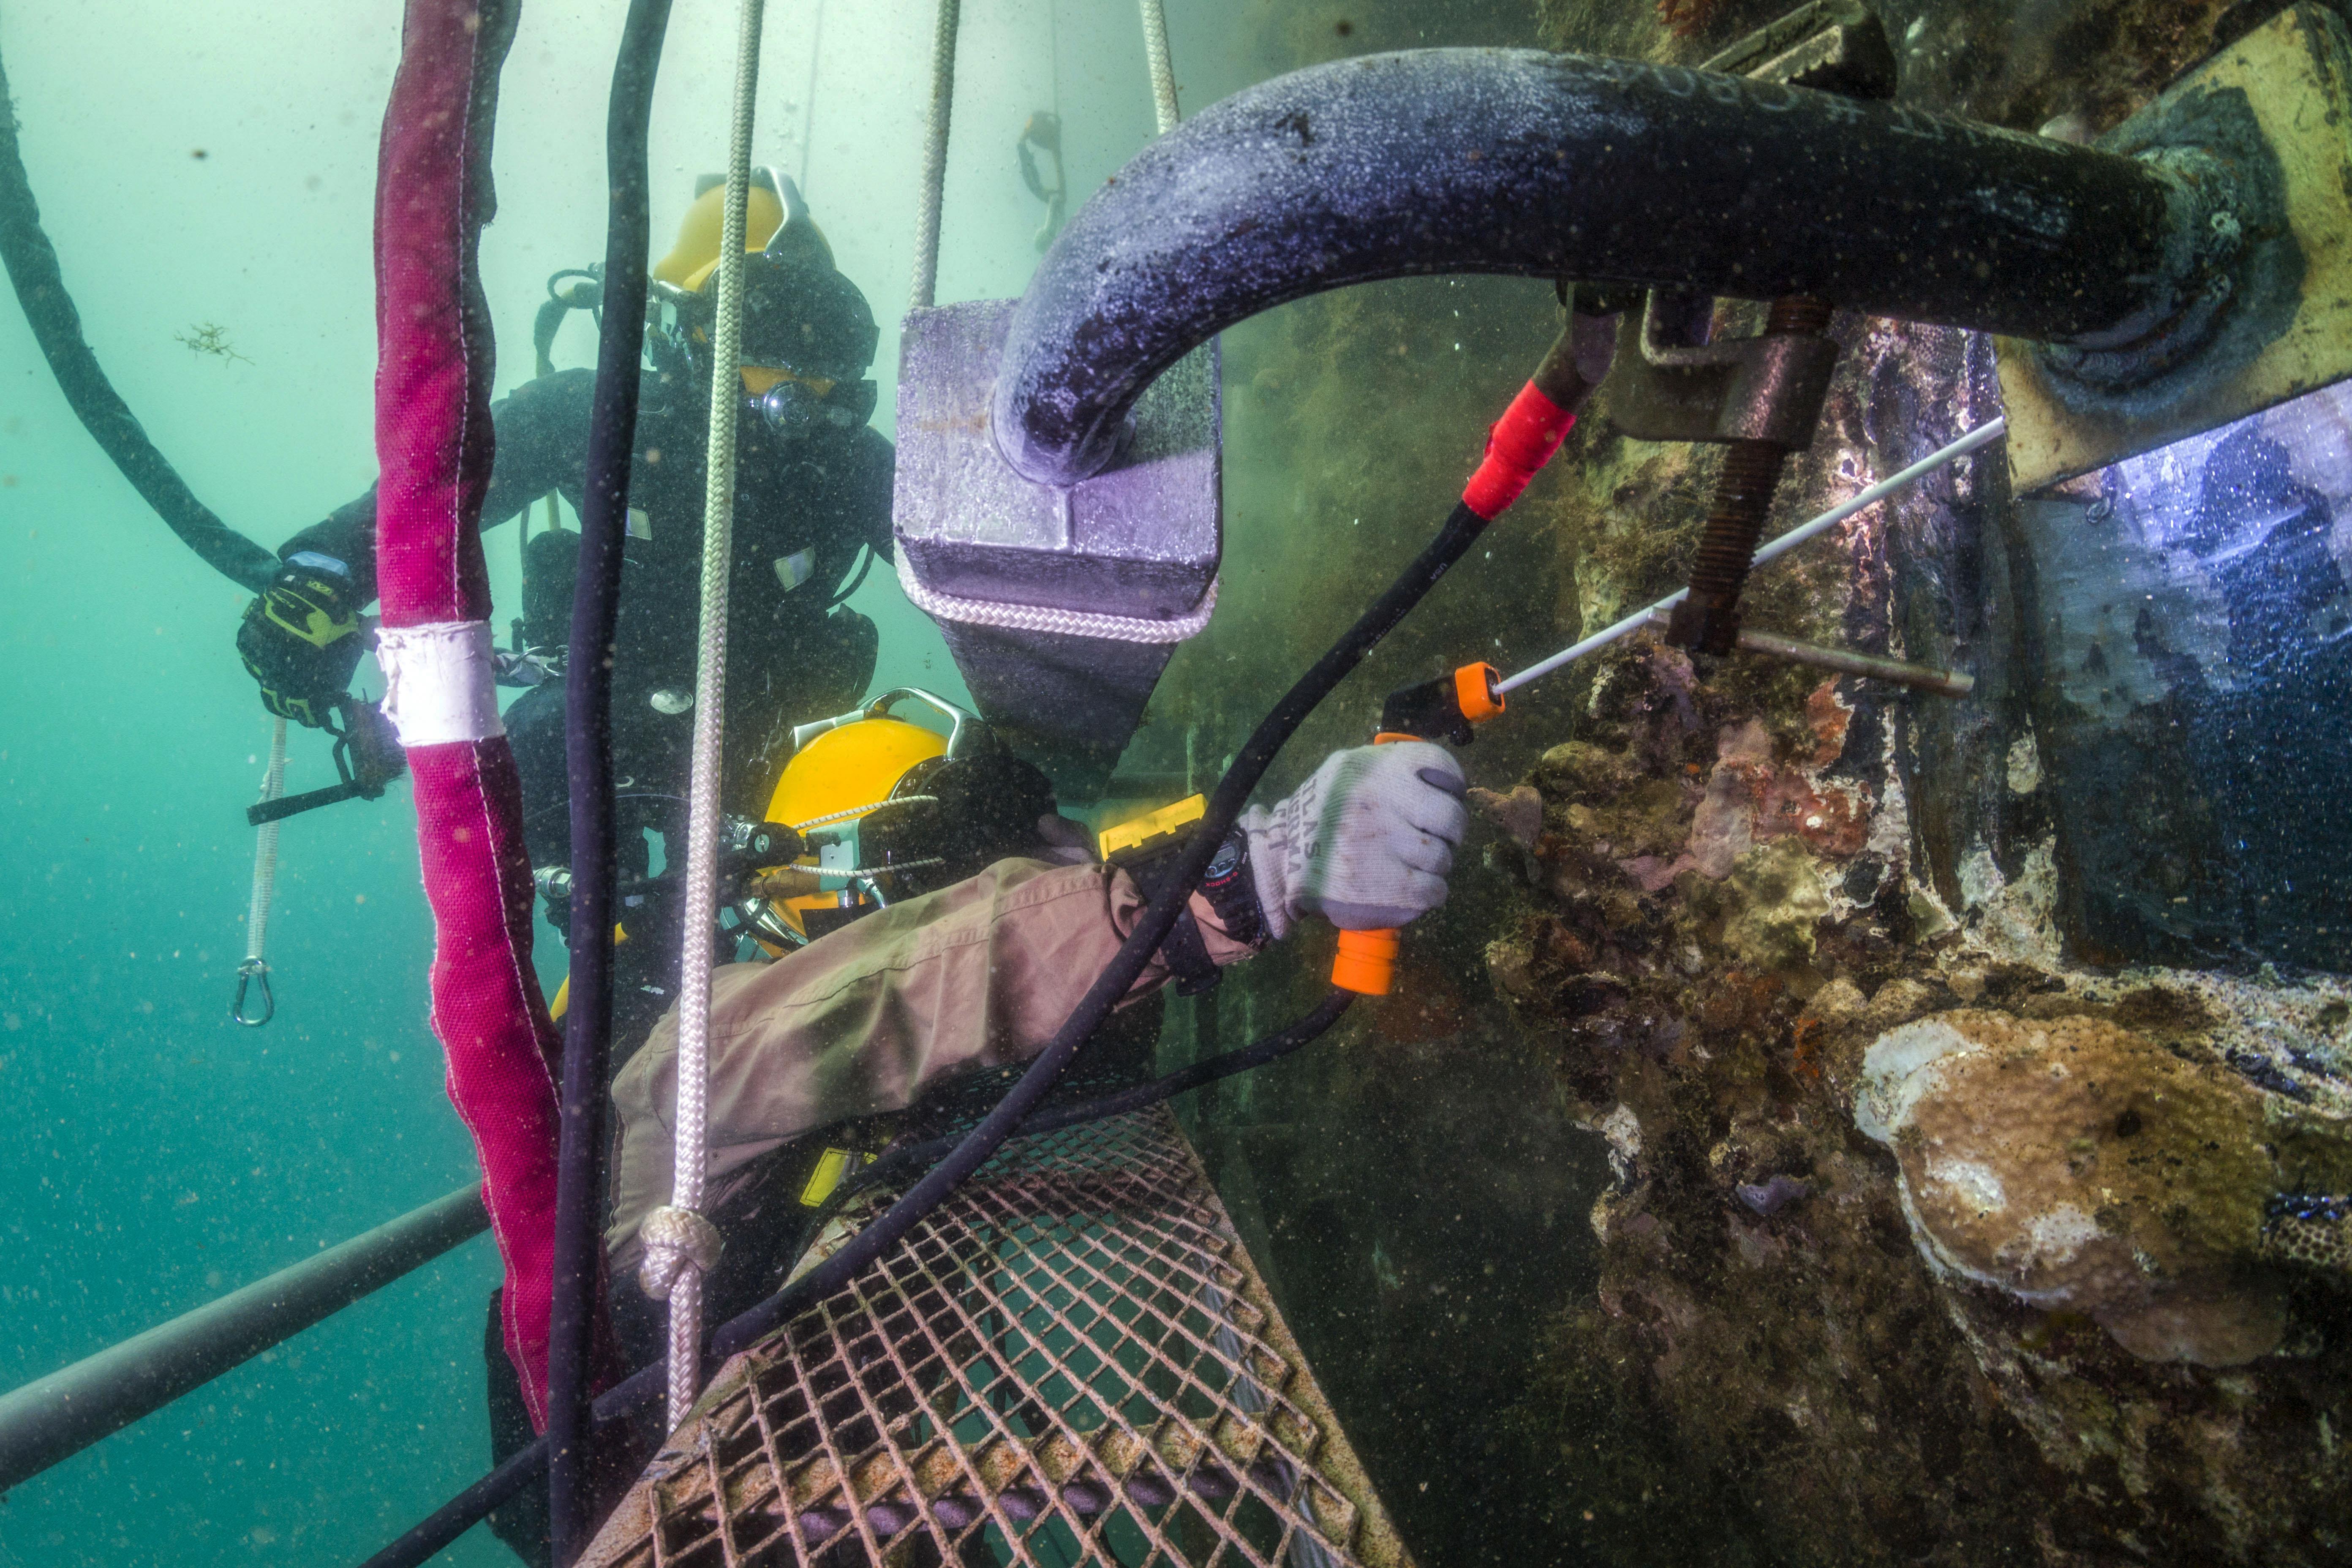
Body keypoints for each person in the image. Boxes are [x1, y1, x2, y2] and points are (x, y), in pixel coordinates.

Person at [232, 170, 893, 891]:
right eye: (765, 331)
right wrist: (317, 581)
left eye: (828, 343)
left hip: (776, 733)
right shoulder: (589, 416)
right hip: (595, 719)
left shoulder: (852, 463)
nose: (804, 390)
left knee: (870, 829)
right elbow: (415, 508)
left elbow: (972, 582)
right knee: (551, 762)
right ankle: (610, 949)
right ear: (684, 327)